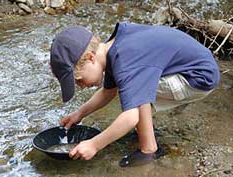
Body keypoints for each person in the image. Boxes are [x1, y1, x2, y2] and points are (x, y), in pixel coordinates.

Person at [50, 22, 220, 167]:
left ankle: (149, 149)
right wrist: (79, 114)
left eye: (79, 80)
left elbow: (131, 117)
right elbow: (108, 92)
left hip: (198, 78)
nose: (80, 86)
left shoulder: (125, 63)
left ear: (91, 57)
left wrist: (95, 144)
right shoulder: (113, 50)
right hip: (191, 68)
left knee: (134, 95)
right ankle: (147, 137)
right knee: (133, 88)